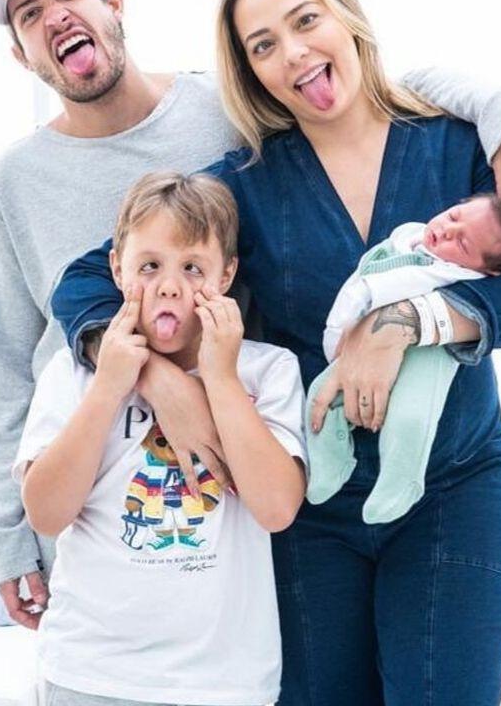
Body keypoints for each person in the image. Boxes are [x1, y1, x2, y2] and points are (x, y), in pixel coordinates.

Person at [0, 0, 501, 631]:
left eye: (306, 20)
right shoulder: (245, 179)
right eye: (263, 46)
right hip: (304, 498)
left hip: (450, 488)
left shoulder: (444, 143)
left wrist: (407, 319)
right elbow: (75, 290)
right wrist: (153, 379)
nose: (292, 53)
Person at [16, 172, 306, 705]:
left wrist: (221, 378)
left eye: (192, 268)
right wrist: (109, 388)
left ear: (227, 275)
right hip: (89, 674)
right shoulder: (73, 374)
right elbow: (46, 514)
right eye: (149, 266)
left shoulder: (268, 371)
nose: (169, 286)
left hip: (222, 684)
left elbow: (276, 508)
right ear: (116, 268)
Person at [308, 194, 501, 525]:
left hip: (429, 350)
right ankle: (329, 464)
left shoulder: (458, 277)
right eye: (454, 216)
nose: (448, 231)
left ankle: (402, 482)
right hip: (359, 347)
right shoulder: (407, 240)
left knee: (410, 417)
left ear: (486, 270)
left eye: (462, 243)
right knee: (320, 397)